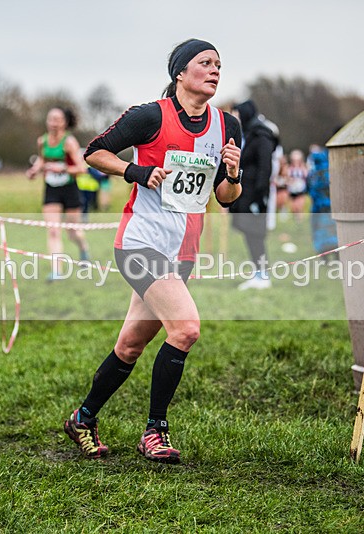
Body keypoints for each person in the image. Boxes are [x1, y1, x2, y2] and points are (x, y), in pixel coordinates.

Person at [64, 38, 242, 463]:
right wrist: (137, 171)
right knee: (186, 329)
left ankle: (82, 418)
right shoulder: (150, 116)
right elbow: (95, 152)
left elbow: (226, 197)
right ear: (180, 73)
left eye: (219, 64)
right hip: (141, 243)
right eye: (205, 62)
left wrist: (233, 174)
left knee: (129, 346)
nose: (215, 70)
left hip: (183, 251)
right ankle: (154, 431)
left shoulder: (227, 126)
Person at [26, 107, 90, 277]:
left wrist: (61, 168)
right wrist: (34, 170)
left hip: (70, 189)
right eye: (51, 119)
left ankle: (83, 249)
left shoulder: (69, 142)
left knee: (72, 232)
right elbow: (42, 159)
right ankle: (57, 271)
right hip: (51, 189)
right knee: (53, 230)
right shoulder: (42, 141)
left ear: (64, 123)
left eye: (58, 120)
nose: (54, 123)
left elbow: (81, 169)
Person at [229, 100, 277, 290]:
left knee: (256, 234)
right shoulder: (247, 134)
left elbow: (265, 168)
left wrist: (260, 197)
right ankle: (257, 271)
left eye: (237, 114)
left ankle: (263, 275)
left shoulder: (262, 136)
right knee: (249, 234)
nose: (236, 118)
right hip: (244, 194)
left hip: (255, 196)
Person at [306, 144, 338, 253]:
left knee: (319, 230)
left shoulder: (313, 172)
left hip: (318, 207)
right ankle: (335, 251)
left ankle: (322, 252)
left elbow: (310, 189)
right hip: (331, 206)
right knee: (332, 230)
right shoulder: (330, 169)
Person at [286, 149, 309, 223]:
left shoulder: (303, 168)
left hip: (301, 190)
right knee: (294, 207)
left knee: (300, 206)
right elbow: (287, 178)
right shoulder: (289, 168)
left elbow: (306, 176)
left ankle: (300, 221)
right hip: (292, 190)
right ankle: (295, 221)